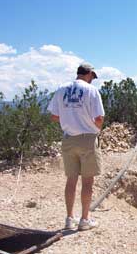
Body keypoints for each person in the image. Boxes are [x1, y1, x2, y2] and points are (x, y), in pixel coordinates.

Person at [47, 63, 104, 230]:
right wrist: (95, 129)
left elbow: (54, 116)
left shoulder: (61, 89)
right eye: (92, 77)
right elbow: (99, 118)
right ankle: (84, 220)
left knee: (71, 180)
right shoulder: (91, 91)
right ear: (89, 74)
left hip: (68, 138)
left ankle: (69, 218)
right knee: (87, 182)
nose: (92, 80)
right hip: (87, 139)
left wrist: (69, 119)